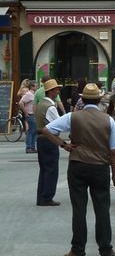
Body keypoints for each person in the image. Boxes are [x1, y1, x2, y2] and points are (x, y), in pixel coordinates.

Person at [42, 82, 115, 256]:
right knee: (102, 208)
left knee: (79, 209)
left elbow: (47, 130)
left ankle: (77, 251)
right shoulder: (108, 119)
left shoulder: (73, 116)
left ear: (82, 99)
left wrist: (64, 145)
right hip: (100, 167)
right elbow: (114, 151)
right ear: (100, 99)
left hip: (78, 165)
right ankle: (106, 250)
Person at [35, 78, 65, 206]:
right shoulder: (50, 107)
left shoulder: (40, 103)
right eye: (56, 89)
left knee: (44, 169)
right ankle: (47, 197)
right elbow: (60, 124)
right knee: (51, 169)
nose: (58, 91)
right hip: (49, 140)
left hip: (41, 140)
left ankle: (41, 197)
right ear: (51, 91)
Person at [18, 80, 38, 153]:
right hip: (30, 114)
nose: (37, 87)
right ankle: (29, 147)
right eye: (36, 86)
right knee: (31, 131)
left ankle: (32, 147)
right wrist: (25, 112)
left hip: (34, 114)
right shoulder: (29, 94)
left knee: (34, 131)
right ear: (32, 87)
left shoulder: (34, 94)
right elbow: (21, 102)